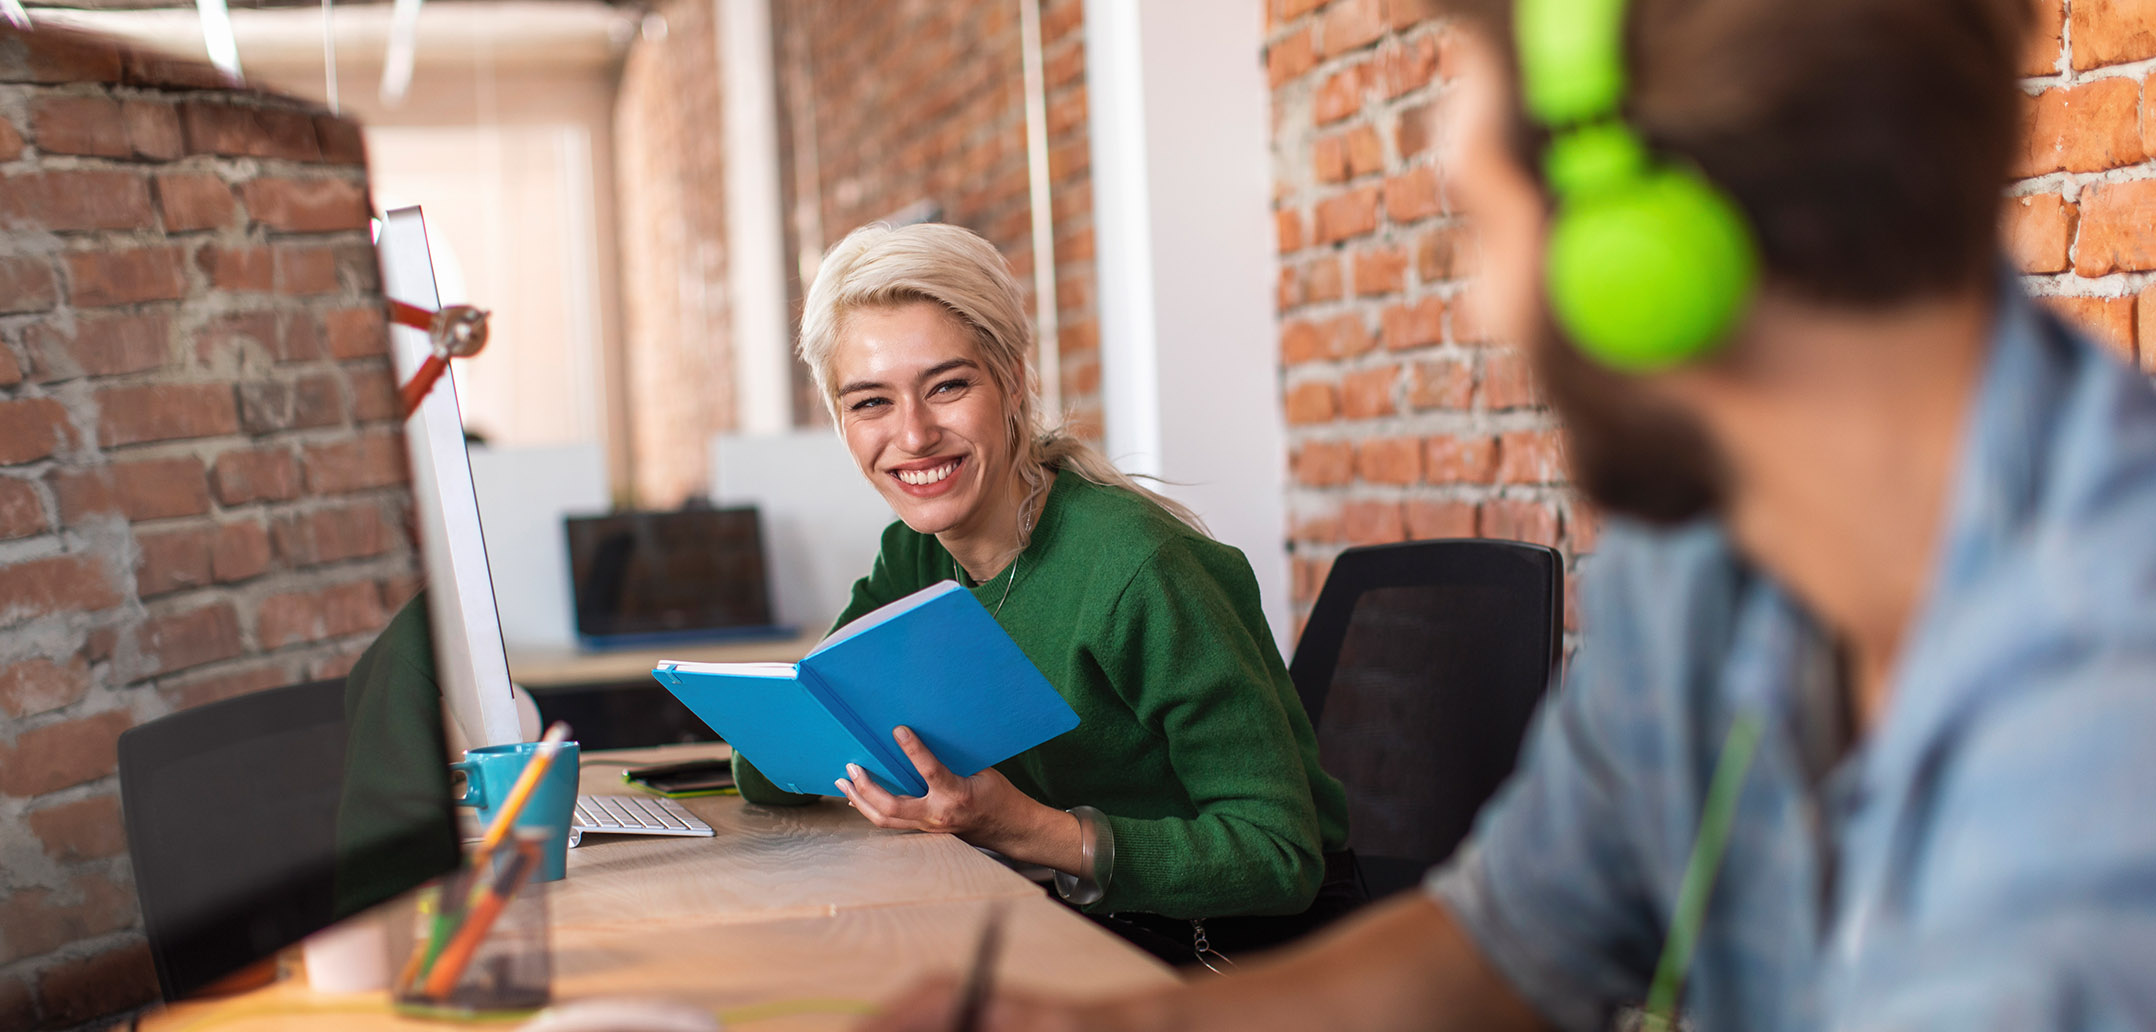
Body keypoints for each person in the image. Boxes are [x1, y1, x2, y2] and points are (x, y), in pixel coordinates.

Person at [858, 0, 2156, 1028]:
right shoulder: (1708, 552)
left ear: (1649, 263)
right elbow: (1511, 943)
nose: (1486, 312)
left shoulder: (2096, 727)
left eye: (1484, 230)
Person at [729, 221, 1360, 962]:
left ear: (1014, 382)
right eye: (871, 402)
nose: (915, 434)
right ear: (841, 422)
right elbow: (785, 753)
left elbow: (1279, 858)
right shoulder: (918, 556)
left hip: (1233, 960)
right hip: (1068, 928)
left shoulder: (1142, 571)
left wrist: (1023, 826)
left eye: (948, 386)